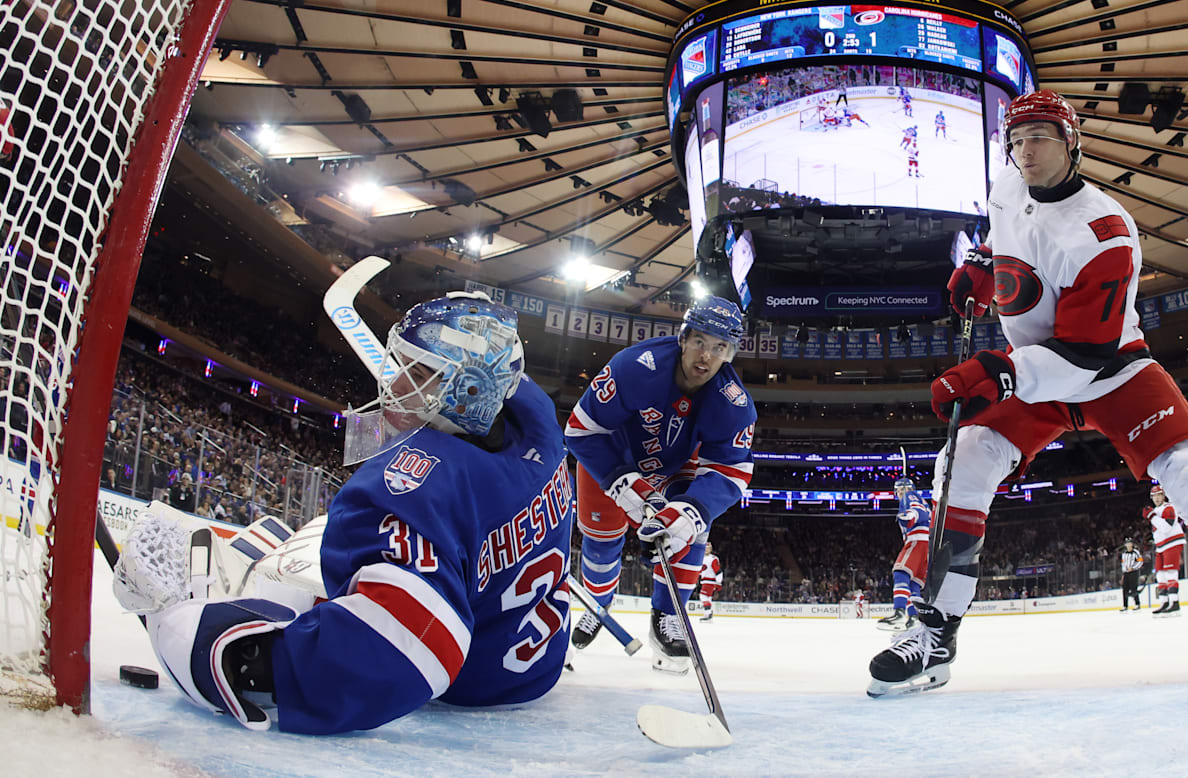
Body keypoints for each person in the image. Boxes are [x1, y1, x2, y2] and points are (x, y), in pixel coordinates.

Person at [867, 89, 1188, 698]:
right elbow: (1009, 237)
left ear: (1072, 143)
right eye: (1017, 140)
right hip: (1034, 370)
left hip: (1109, 368)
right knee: (960, 464)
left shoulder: (1104, 232)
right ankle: (935, 633)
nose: (1026, 151)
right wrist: (983, 266)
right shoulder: (1007, 185)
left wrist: (995, 372)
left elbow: (1085, 353)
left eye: (1040, 137)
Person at [115, 293, 574, 733]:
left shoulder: (412, 486)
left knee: (281, 571)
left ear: (469, 392)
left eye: (418, 372)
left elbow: (409, 647)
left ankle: (242, 586)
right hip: (535, 660)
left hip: (472, 684)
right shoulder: (537, 421)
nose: (396, 384)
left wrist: (224, 656)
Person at [566, 294, 756, 674]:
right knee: (601, 544)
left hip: (675, 468)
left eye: (719, 347)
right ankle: (599, 603)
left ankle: (668, 615)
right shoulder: (634, 366)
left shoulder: (734, 404)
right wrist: (623, 483)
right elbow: (581, 431)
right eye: (700, 341)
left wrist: (689, 512)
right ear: (683, 338)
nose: (706, 356)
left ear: (729, 354)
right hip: (611, 461)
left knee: (689, 529)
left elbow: (730, 471)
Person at [878, 475, 930, 631]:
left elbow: (919, 512)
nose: (901, 493)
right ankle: (914, 618)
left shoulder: (910, 496)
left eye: (902, 489)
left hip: (918, 540)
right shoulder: (921, 500)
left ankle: (899, 613)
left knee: (900, 572)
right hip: (927, 544)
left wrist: (910, 516)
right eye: (899, 491)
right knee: (913, 584)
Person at [1146, 484, 1185, 615]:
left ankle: (1175, 602)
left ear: (1163, 496)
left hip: (1172, 542)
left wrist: (1152, 517)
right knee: (1160, 574)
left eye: (1159, 495)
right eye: (1154, 496)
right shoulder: (1155, 511)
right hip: (1161, 546)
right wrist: (1152, 515)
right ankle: (1164, 602)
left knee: (1170, 572)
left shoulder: (1169, 507)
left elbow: (1166, 527)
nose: (1157, 498)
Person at [698, 542, 723, 622]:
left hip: (709, 581)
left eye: (708, 548)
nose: (706, 550)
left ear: (711, 549)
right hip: (705, 581)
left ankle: (708, 614)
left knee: (703, 596)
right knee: (708, 598)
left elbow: (718, 572)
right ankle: (708, 614)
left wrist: (718, 583)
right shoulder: (701, 558)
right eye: (705, 548)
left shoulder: (712, 559)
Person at [1119, 537, 1144, 612]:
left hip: (1134, 572)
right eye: (1127, 543)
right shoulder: (1124, 554)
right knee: (1125, 589)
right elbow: (1123, 563)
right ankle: (1125, 605)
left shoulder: (1136, 552)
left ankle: (1137, 604)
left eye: (1130, 543)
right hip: (1126, 573)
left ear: (1132, 544)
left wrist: (1133, 568)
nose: (1128, 545)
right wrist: (1124, 571)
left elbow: (1140, 561)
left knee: (1134, 588)